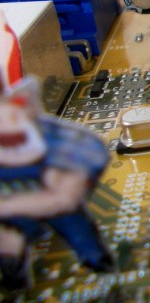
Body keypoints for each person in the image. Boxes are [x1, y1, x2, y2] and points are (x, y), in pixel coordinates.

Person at [0, 78, 114, 289]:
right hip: (16, 206)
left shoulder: (57, 144)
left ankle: (98, 261)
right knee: (10, 243)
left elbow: (65, 200)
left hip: (51, 193)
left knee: (77, 230)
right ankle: (14, 277)